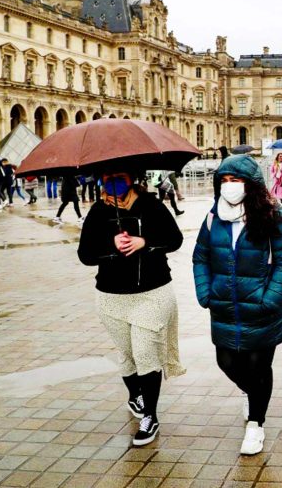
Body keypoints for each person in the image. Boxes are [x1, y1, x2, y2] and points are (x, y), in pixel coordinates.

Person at [192, 155, 282, 456]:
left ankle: (256, 424)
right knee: (226, 362)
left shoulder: (270, 214)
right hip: (224, 307)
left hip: (262, 308)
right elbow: (200, 257)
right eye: (224, 181)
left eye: (235, 180)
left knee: (258, 366)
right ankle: (252, 393)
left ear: (250, 185)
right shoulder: (213, 217)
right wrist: (205, 292)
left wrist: (271, 298)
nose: (229, 186)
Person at [78, 168, 185, 447]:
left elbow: (175, 240)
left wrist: (145, 242)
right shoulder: (98, 211)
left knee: (146, 353)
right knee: (127, 355)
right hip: (112, 296)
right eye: (108, 177)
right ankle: (136, 396)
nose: (113, 181)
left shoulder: (152, 205)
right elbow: (85, 255)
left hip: (152, 291)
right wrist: (110, 244)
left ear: (132, 179)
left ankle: (150, 415)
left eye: (120, 177)